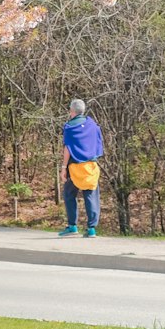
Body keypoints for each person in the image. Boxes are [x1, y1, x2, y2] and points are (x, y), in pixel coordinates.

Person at [58, 98, 104, 237]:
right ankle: (91, 229)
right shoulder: (93, 125)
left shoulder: (69, 127)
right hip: (90, 165)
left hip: (74, 166)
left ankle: (72, 226)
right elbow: (98, 142)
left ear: (72, 111)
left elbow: (67, 148)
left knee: (69, 194)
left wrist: (63, 168)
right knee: (91, 196)